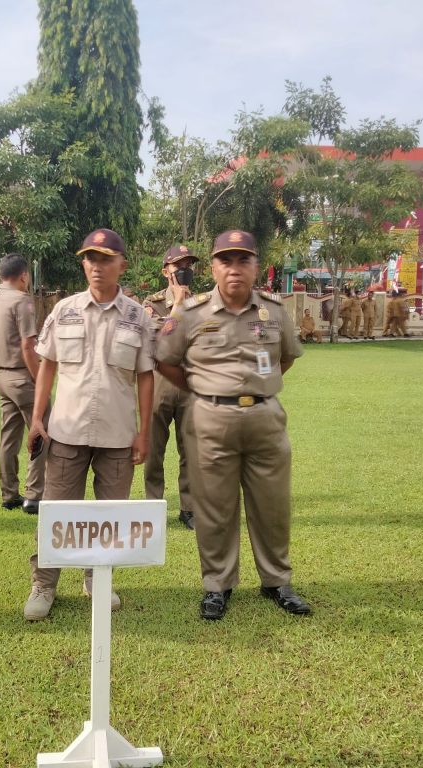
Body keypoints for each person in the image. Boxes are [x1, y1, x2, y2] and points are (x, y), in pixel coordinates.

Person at [156, 229, 311, 621]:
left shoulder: (275, 311)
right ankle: (217, 585)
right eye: (226, 260)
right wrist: (204, 389)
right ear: (213, 267)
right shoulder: (192, 313)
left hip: (265, 419)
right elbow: (167, 362)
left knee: (272, 505)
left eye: (244, 259)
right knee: (214, 507)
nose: (234, 268)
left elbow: (285, 359)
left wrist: (258, 388)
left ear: (256, 266)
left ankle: (277, 581)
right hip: (210, 419)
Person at [23, 228, 154, 621]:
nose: (97, 267)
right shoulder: (64, 309)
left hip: (117, 434)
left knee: (109, 517)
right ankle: (44, 584)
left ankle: (98, 579)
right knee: (57, 513)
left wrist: (143, 431)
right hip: (66, 430)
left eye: (105, 259)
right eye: (90, 259)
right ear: (83, 264)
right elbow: (47, 365)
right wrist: (36, 419)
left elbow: (146, 375)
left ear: (121, 265)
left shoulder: (137, 316)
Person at [0, 253, 46, 515]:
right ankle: (34, 494)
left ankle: (8, 494)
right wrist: (39, 377)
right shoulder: (22, 301)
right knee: (41, 430)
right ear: (24, 276)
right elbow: (28, 345)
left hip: (2, 376)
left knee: (9, 436)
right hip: (23, 376)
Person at [143, 244, 199, 530]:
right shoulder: (152, 304)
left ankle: (189, 508)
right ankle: (153, 507)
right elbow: (160, 340)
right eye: (179, 266)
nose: (185, 271)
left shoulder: (203, 305)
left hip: (191, 385)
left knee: (191, 451)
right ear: (166, 271)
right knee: (154, 452)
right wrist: (177, 302)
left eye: (189, 265)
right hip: (158, 385)